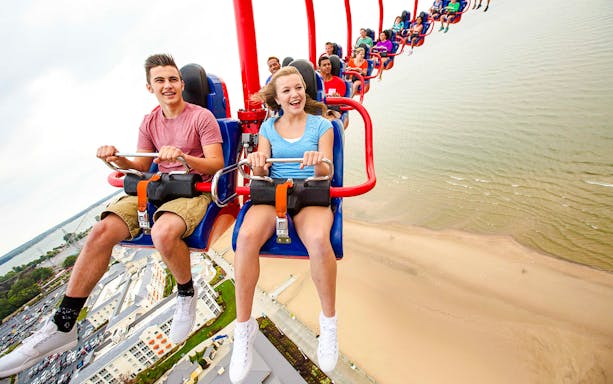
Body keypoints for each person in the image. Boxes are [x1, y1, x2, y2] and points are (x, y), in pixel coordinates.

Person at [0, 54, 225, 379]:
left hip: (193, 188)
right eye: (160, 81)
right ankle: (64, 323)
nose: (168, 86)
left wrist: (184, 157)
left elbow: (216, 164)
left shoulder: (201, 117)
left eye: (173, 79)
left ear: (181, 83)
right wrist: (118, 159)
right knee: (100, 231)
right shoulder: (150, 122)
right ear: (150, 87)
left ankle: (186, 294)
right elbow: (142, 168)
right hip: (159, 187)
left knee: (163, 233)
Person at [228, 65, 339, 383]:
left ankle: (329, 322)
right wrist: (257, 164)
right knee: (247, 237)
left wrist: (317, 163)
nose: (295, 95)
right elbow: (260, 175)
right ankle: (244, 328)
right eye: (287, 90)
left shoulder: (322, 126)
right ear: (276, 98)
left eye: (299, 88)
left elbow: (327, 174)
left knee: (318, 239)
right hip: (274, 193)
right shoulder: (267, 129)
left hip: (310, 192)